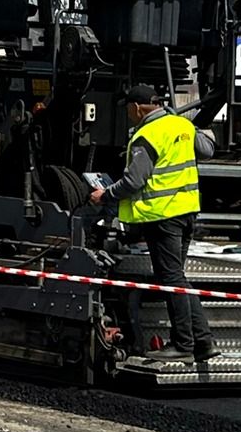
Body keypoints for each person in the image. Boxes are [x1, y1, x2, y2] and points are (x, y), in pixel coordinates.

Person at [90, 84, 216, 362]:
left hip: (162, 217)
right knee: (177, 278)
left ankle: (183, 344)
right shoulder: (180, 125)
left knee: (171, 279)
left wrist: (105, 194)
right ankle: (203, 341)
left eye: (128, 109)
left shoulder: (146, 135)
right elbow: (207, 150)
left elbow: (134, 181)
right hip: (186, 212)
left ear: (136, 108)